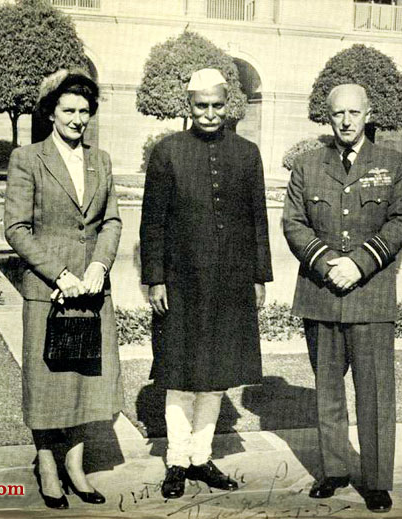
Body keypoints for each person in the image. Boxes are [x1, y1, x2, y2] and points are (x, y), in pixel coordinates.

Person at [140, 68, 273, 499]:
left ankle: (201, 457)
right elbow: (152, 223)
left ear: (227, 103)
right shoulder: (167, 152)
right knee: (180, 374)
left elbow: (258, 220)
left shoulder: (247, 153)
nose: (210, 114)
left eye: (217, 105)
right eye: (202, 106)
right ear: (189, 106)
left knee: (216, 375)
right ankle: (176, 460)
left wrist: (259, 276)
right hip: (181, 282)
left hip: (232, 281)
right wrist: (155, 279)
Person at [282, 84, 402, 513]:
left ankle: (376, 480)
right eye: (339, 113)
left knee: (375, 394)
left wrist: (358, 264)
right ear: (328, 115)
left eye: (355, 112)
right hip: (320, 296)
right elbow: (294, 224)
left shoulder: (392, 165)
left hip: (370, 296)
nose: (347, 120)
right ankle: (335, 470)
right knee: (328, 393)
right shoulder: (306, 165)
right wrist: (326, 264)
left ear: (368, 113)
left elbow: (398, 224)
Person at [4, 69, 123, 509]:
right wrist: (60, 274)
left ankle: (75, 464)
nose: (77, 119)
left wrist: (98, 265)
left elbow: (111, 221)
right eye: (69, 110)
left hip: (92, 291)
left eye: (84, 111)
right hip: (48, 292)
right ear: (51, 113)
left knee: (82, 382)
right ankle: (47, 464)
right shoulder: (27, 159)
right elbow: (16, 228)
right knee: (46, 380)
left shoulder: (102, 160)